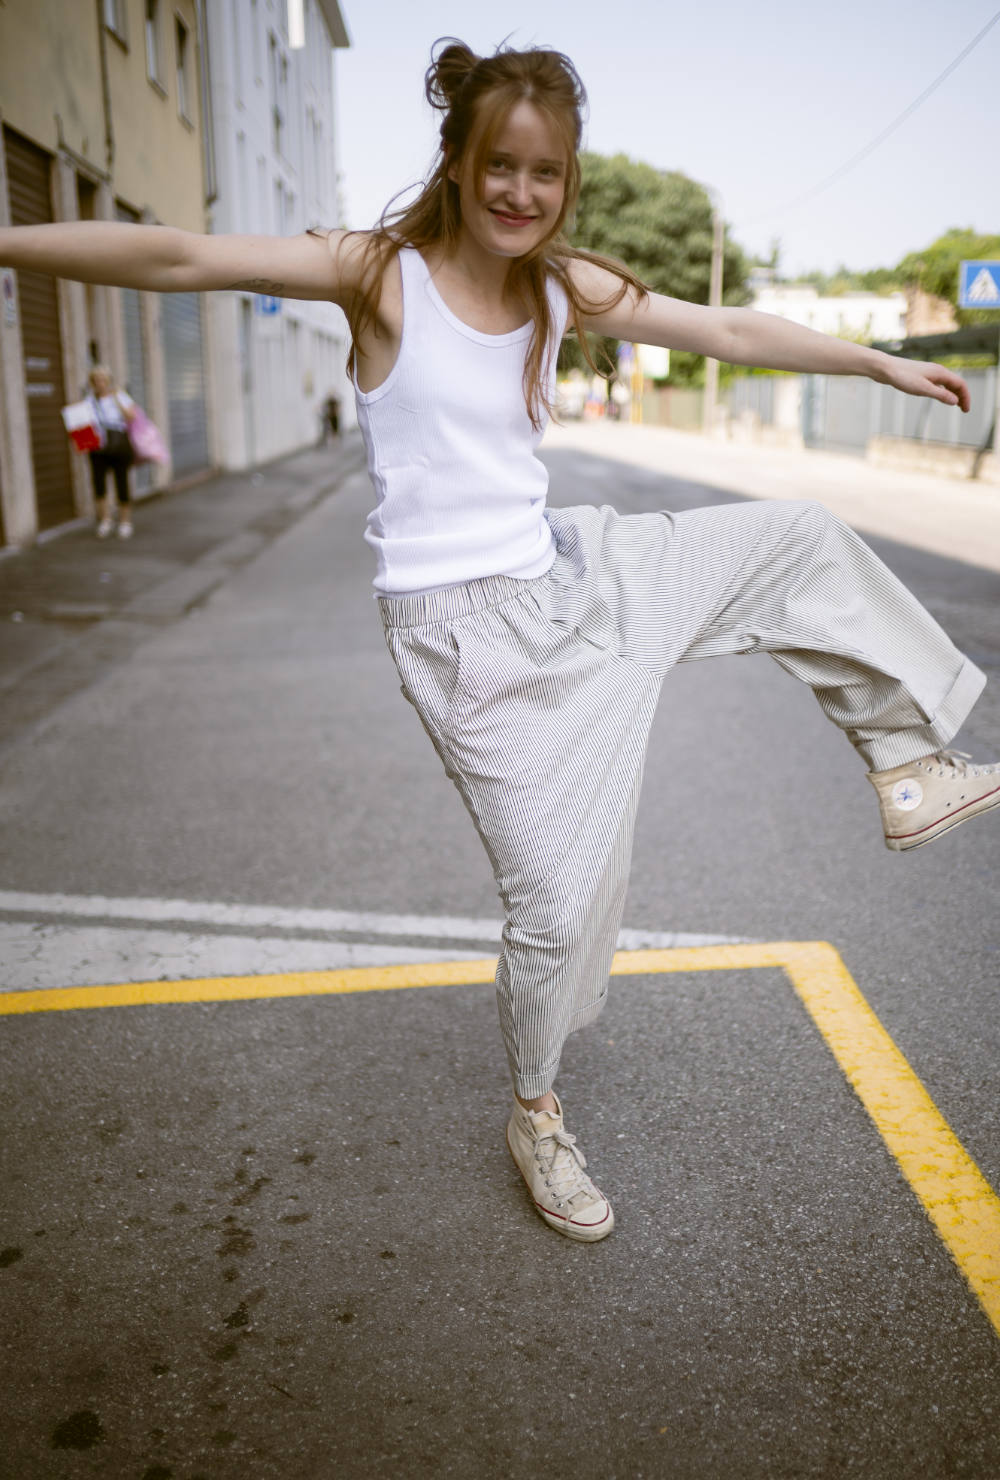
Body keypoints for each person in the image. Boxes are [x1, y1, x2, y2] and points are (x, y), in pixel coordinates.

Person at [2, 38, 997, 1242]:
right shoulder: (379, 274)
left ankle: (905, 765)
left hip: (574, 575)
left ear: (567, 181)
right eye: (500, 167)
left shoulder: (559, 286)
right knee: (557, 909)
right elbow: (179, 255)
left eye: (547, 173)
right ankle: (536, 1112)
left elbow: (726, 331)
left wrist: (877, 360)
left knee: (796, 537)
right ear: (458, 163)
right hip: (468, 643)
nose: (521, 193)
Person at [85, 365, 137, 538]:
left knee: (122, 482)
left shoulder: (120, 396)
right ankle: (105, 520)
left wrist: (116, 400)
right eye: (96, 380)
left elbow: (131, 416)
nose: (100, 383)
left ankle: (125, 521)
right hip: (97, 447)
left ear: (108, 381)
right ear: (92, 383)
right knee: (99, 483)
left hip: (118, 444)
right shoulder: (89, 400)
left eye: (103, 380)